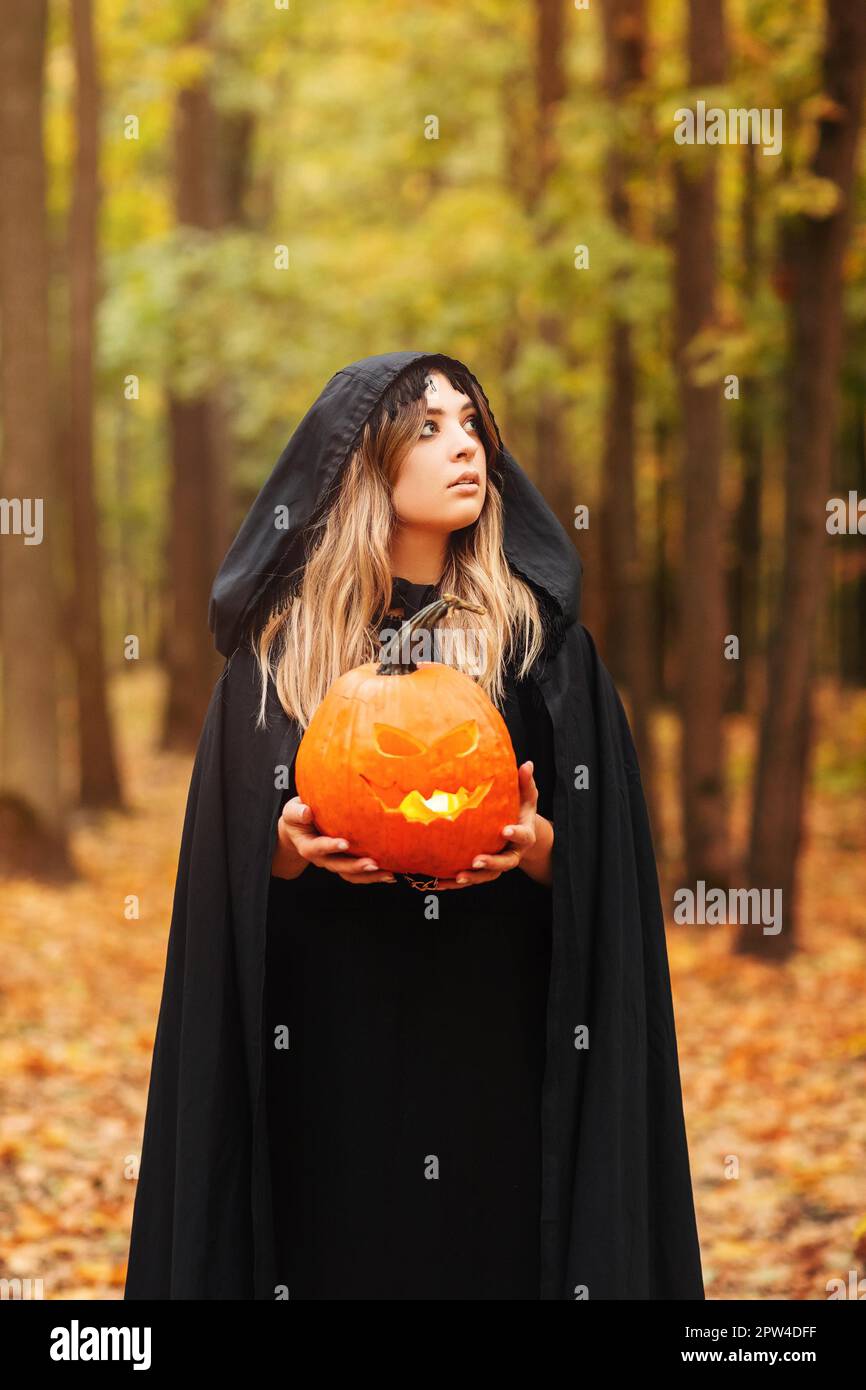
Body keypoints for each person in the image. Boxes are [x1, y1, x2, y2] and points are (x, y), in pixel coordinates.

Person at [124, 350, 704, 1300]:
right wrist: (284, 849)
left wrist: (540, 849)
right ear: (364, 462)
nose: (464, 447)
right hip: (325, 1030)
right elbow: (227, 865)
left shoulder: (541, 644)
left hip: (497, 1027)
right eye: (429, 429)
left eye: (473, 425)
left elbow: (607, 865)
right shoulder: (282, 651)